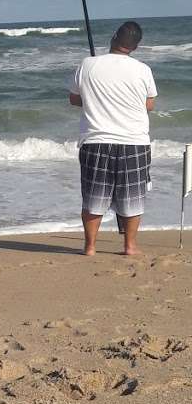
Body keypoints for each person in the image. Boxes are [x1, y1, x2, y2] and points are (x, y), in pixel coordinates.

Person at [69, 20, 157, 257]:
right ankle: (129, 247)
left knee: (93, 198)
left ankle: (90, 247)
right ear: (135, 47)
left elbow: (74, 99)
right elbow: (149, 104)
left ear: (113, 37)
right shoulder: (143, 69)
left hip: (96, 142)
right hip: (134, 144)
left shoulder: (87, 64)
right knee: (132, 199)